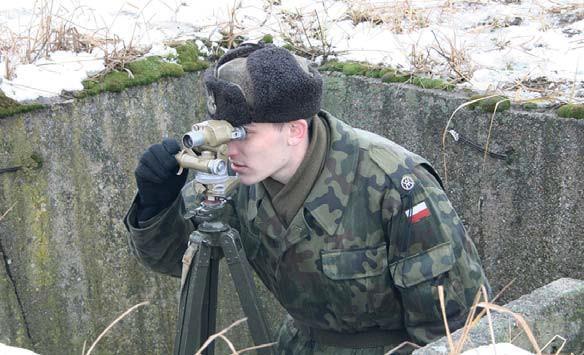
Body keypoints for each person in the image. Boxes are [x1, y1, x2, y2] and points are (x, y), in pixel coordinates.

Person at [124, 42, 490, 354]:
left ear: (296, 130)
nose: (230, 148)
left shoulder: (394, 184)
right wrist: (157, 204)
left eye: (244, 133)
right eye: (224, 133)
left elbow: (456, 328)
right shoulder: (241, 175)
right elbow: (181, 261)